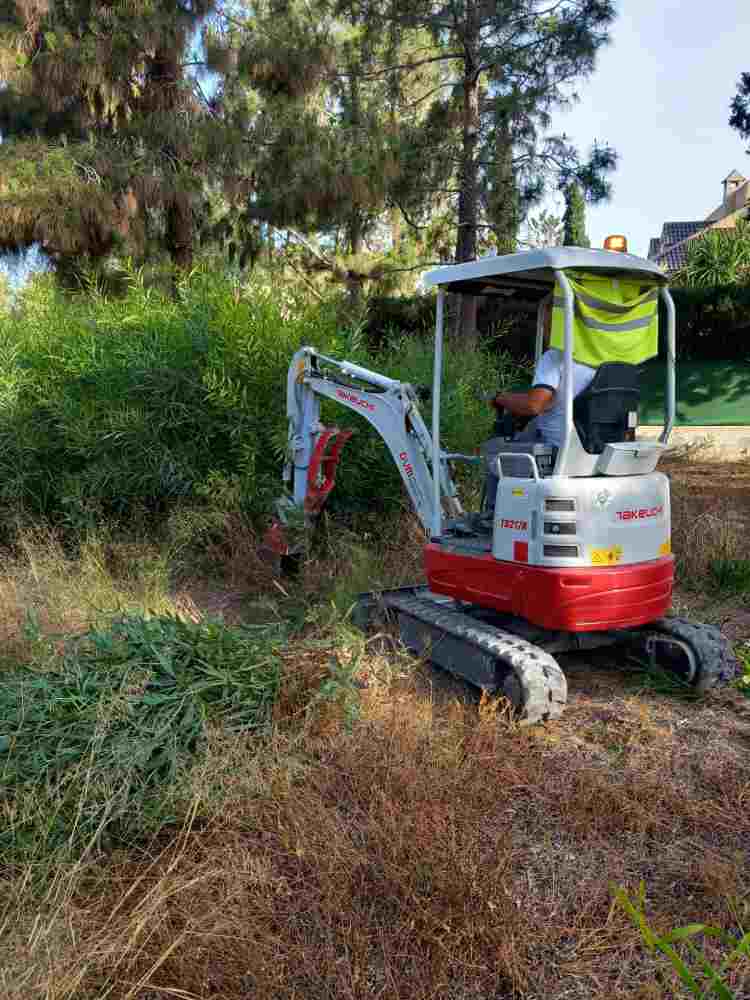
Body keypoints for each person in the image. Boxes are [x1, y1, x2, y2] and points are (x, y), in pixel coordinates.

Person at [484, 299, 596, 512]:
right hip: (590, 449)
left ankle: (491, 518)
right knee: (528, 433)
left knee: (494, 450)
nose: (544, 327)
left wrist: (501, 398)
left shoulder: (555, 358)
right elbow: (556, 401)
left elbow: (535, 405)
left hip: (558, 449)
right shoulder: (600, 360)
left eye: (545, 321)